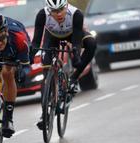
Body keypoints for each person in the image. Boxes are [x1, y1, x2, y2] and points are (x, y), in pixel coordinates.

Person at [30, 0, 97, 129]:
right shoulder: (42, 14)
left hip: (73, 35)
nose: (58, 14)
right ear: (49, 10)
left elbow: (77, 41)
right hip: (52, 37)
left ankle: (74, 78)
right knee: (46, 70)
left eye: (61, 9)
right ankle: (44, 114)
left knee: (91, 44)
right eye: (54, 11)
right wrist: (30, 56)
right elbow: (36, 42)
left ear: (66, 6)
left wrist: (76, 55)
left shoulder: (76, 14)